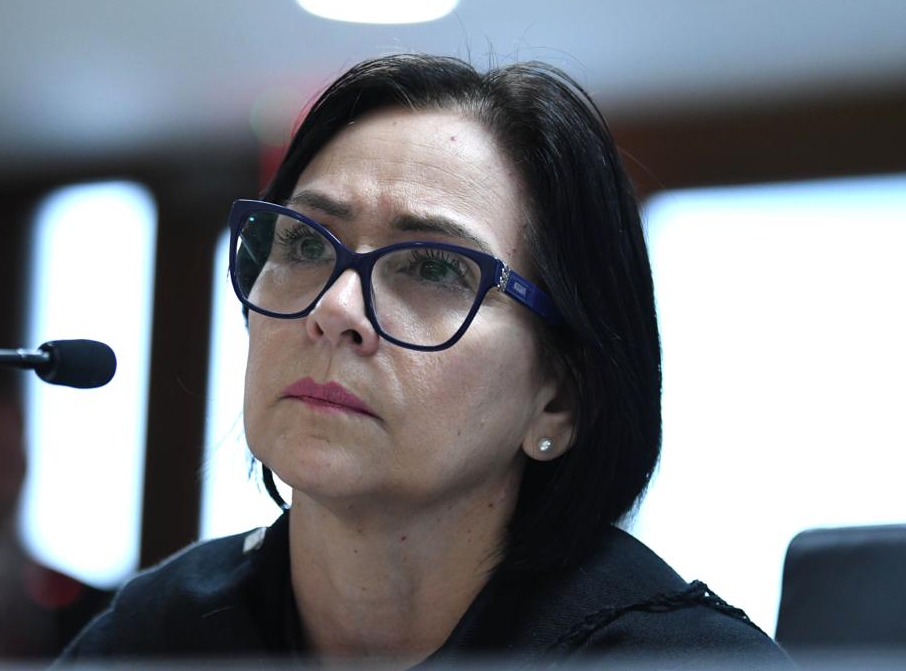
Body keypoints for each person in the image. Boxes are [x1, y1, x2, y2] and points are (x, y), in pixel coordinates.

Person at [58, 54, 791, 668]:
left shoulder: (680, 660)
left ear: (559, 400)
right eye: (305, 244)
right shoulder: (157, 636)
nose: (335, 308)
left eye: (435, 268)